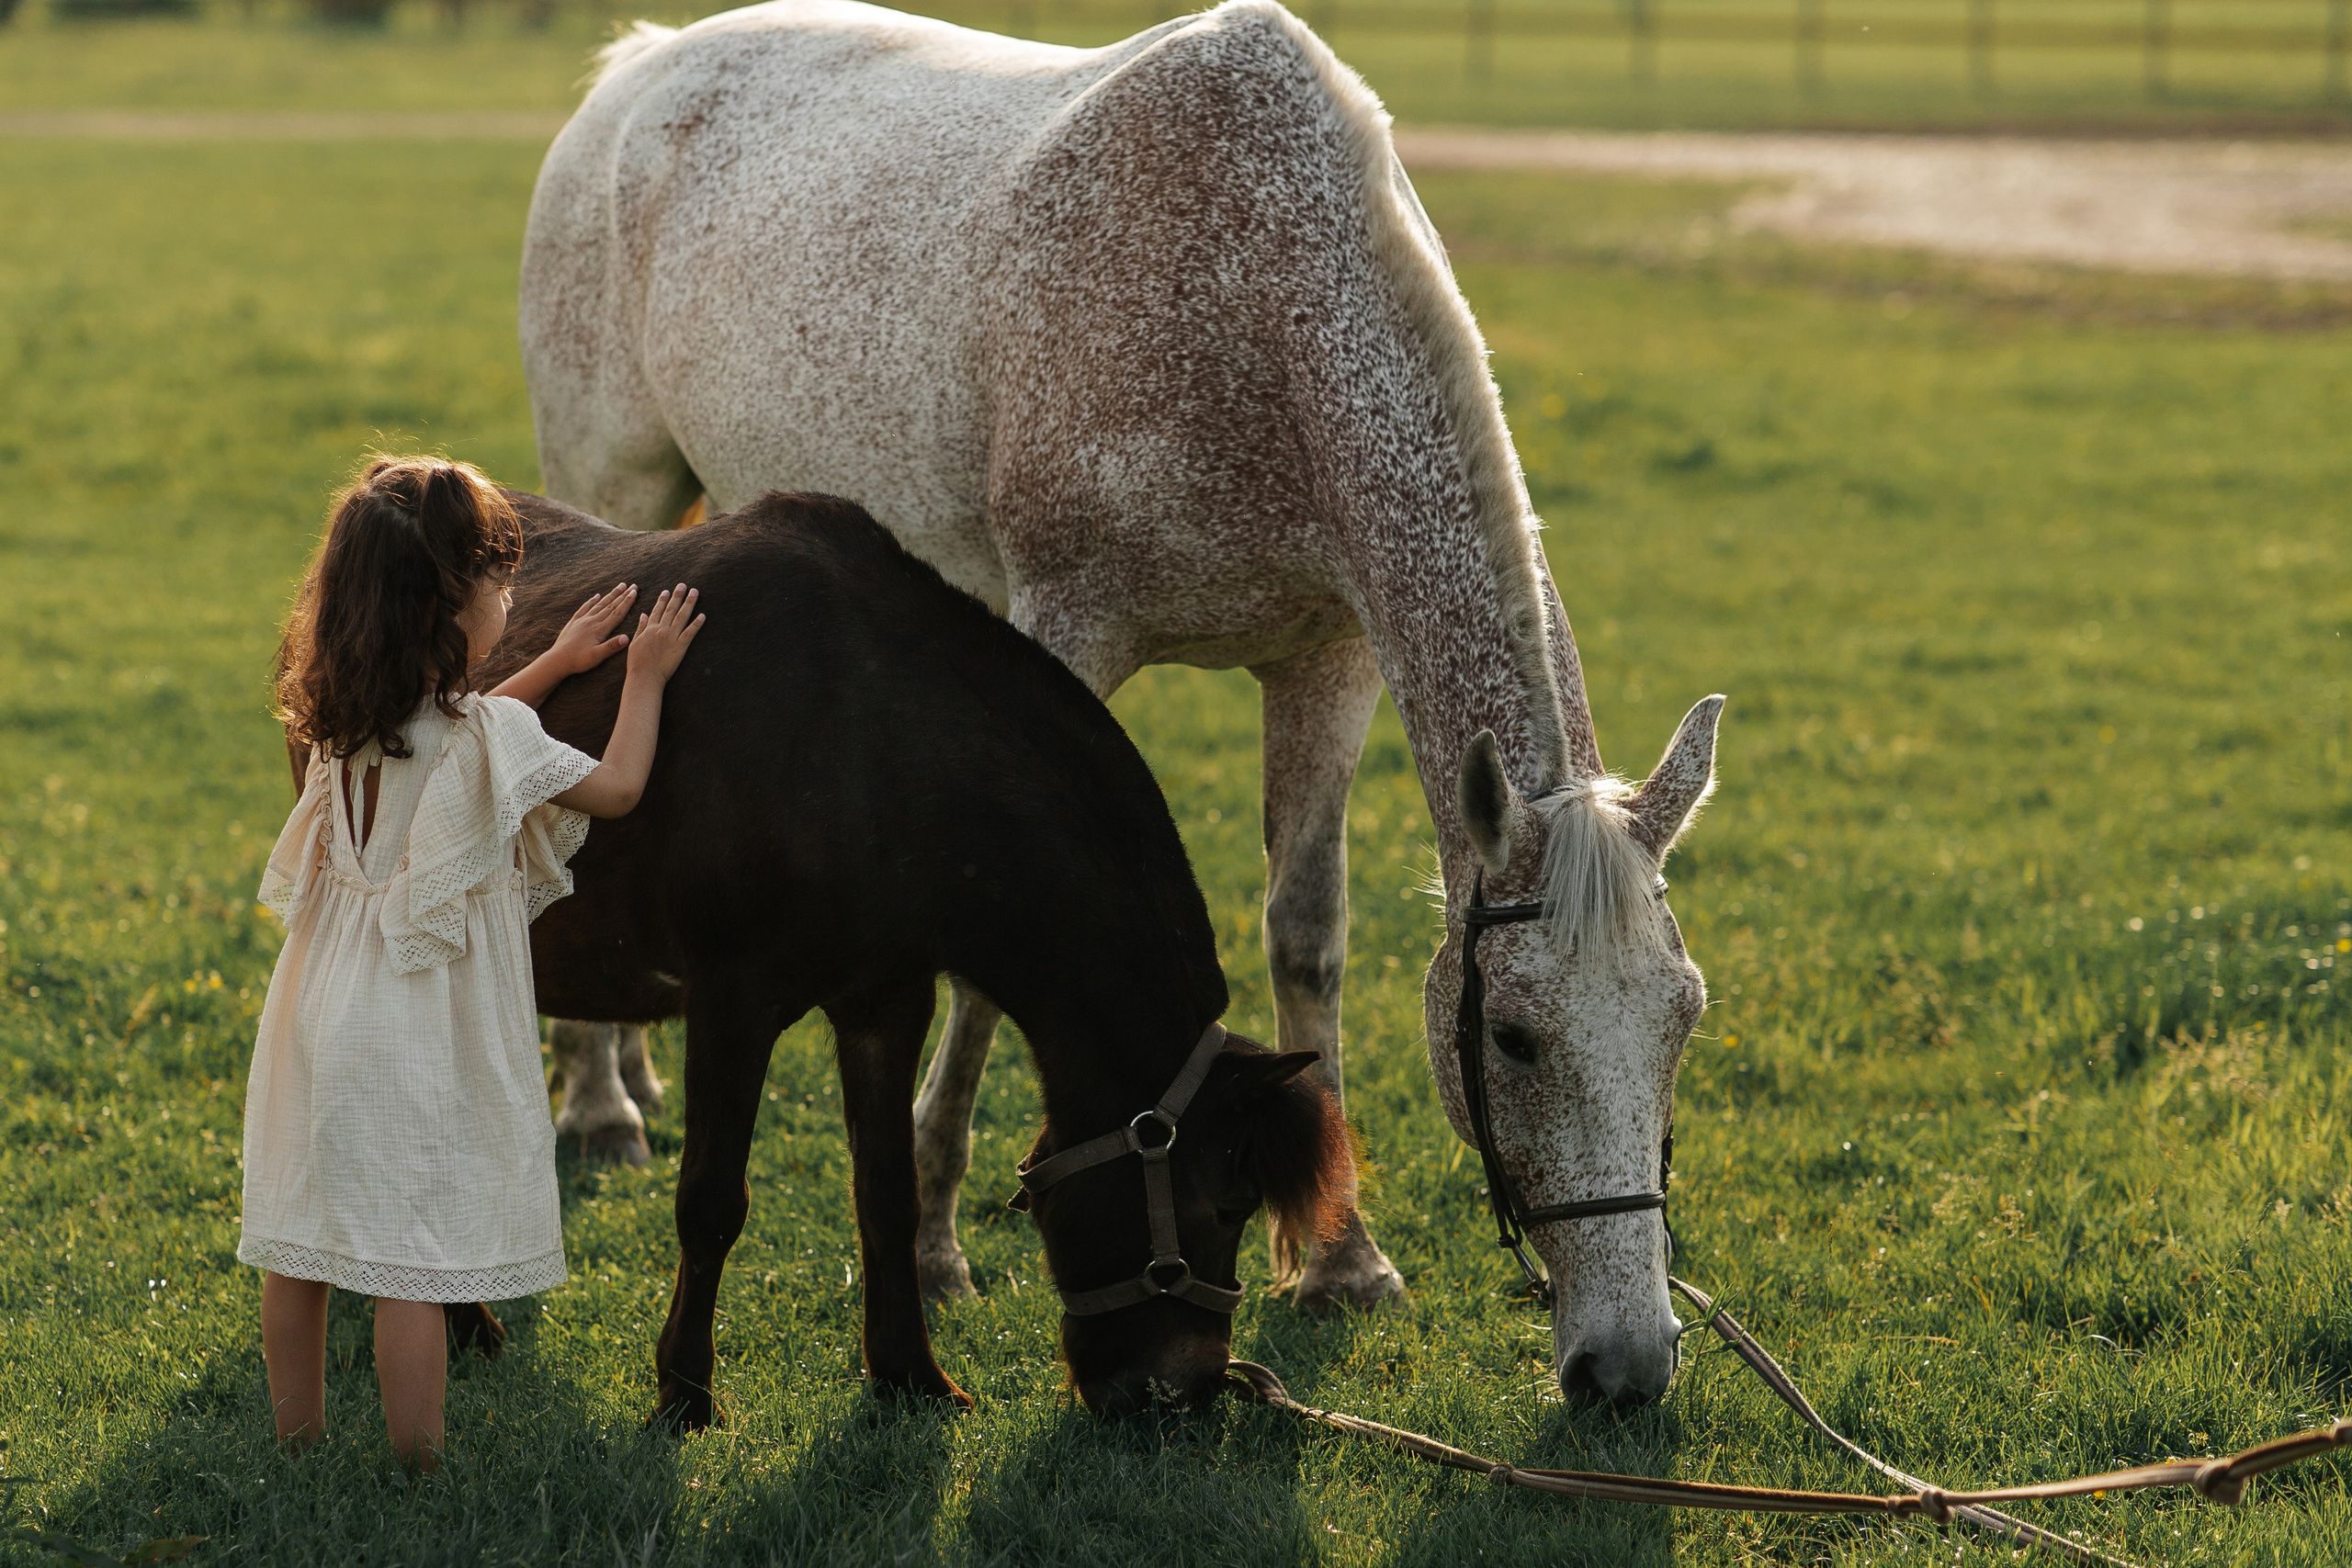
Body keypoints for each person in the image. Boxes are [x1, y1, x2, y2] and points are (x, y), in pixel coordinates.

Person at [239, 455, 703, 1468]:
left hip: (319, 1002)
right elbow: (617, 787)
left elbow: (465, 732)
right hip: (415, 1019)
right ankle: (419, 1466)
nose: (510, 601)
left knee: (299, 1240)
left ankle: (297, 1442)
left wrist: (557, 662)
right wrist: (644, 676)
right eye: (498, 587)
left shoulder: (339, 722)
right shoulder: (487, 732)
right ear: (451, 610)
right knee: (413, 1261)